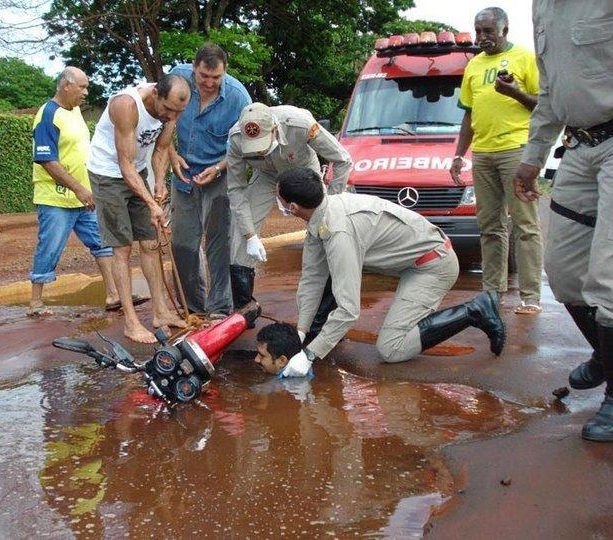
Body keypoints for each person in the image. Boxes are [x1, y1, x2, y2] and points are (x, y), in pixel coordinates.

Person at [275, 166, 506, 378]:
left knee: (391, 348)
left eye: (280, 199)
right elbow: (312, 278)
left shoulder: (339, 232)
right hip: (411, 265)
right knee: (387, 334)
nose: (279, 203)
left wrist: (310, 355)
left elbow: (348, 310)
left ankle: (475, 310)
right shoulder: (322, 215)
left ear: (293, 207)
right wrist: (301, 333)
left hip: (433, 264)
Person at [513, 2, 613, 441]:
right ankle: (605, 354)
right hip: (581, 147)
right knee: (565, 272)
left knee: (607, 277)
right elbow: (551, 93)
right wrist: (531, 159)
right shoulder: (543, 7)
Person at [449, 7, 543, 315]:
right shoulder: (474, 65)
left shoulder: (525, 59)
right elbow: (468, 115)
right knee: (489, 226)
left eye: (488, 31)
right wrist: (458, 156)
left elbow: (544, 105)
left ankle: (530, 297)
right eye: (478, 31)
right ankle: (492, 293)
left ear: (504, 30)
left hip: (516, 150)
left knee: (525, 225)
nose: (482, 37)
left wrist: (515, 92)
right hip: (483, 153)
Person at [88, 74, 191, 344]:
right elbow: (125, 164)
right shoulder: (126, 105)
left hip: (140, 172)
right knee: (122, 248)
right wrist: (149, 202)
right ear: (156, 93)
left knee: (150, 243)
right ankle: (131, 323)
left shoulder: (172, 112)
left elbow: (161, 150)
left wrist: (159, 184)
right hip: (108, 174)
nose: (170, 116)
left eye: (177, 112)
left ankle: (160, 312)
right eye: (168, 109)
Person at [226, 102, 353, 312]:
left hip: (303, 169)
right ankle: (244, 308)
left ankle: (328, 306)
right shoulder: (236, 138)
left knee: (326, 227)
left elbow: (342, 160)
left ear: (275, 129)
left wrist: (333, 202)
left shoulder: (300, 125)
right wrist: (250, 236)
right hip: (266, 175)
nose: (260, 151)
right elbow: (236, 189)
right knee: (240, 232)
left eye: (263, 144)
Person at [28, 67, 120, 317]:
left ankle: (113, 295)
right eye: (82, 87)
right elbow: (47, 161)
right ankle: (36, 302)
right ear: (65, 86)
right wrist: (78, 188)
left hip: (84, 196)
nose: (85, 92)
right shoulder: (47, 116)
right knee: (50, 245)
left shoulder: (76, 111)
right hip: (56, 198)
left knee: (102, 243)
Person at [168, 43, 251, 318]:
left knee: (219, 242)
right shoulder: (176, 80)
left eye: (216, 78)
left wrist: (218, 168)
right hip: (183, 173)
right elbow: (159, 120)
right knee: (183, 243)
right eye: (204, 76)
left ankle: (219, 308)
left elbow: (245, 146)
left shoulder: (239, 97)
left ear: (224, 73)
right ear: (194, 68)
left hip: (220, 175)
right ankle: (193, 307)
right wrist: (171, 154)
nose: (209, 83)